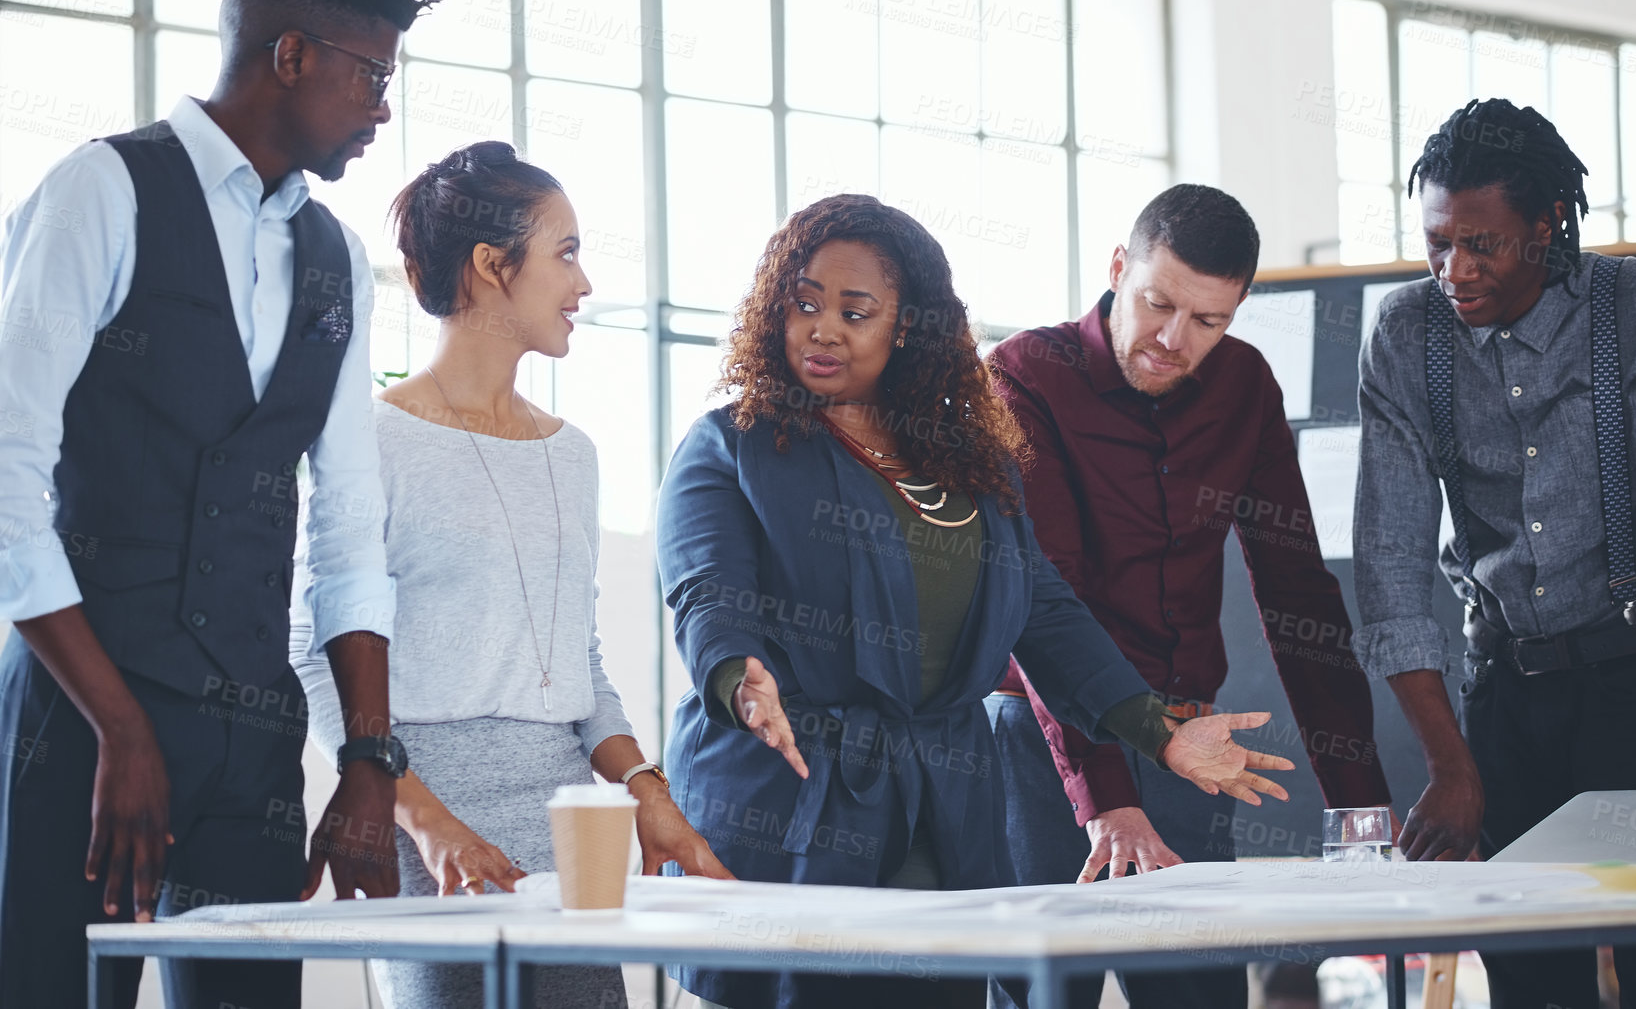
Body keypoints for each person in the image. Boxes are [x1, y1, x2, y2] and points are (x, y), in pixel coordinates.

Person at [657, 193, 1295, 1009]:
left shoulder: (967, 462)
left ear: (907, 327)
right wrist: (735, 676)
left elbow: (1046, 609)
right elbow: (704, 589)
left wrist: (1158, 733)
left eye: (855, 311)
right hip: (789, 797)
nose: (822, 328)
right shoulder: (732, 442)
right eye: (804, 302)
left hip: (939, 799)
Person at [0, 0, 437, 1009]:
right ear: (290, 56)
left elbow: (347, 525)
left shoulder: (334, 257)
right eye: (372, 77)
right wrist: (120, 727)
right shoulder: (103, 191)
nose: (383, 110)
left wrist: (368, 763)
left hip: (249, 741)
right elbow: (8, 479)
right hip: (76, 721)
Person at [291, 141, 732, 1007]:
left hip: (568, 825)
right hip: (430, 820)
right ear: (494, 266)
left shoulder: (573, 455)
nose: (584, 282)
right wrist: (426, 820)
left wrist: (647, 792)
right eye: (565, 252)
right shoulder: (373, 441)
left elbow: (581, 665)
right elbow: (314, 658)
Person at [985, 184, 1431, 1009]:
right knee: (1046, 998)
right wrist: (1108, 798)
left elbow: (1297, 588)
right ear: (1118, 268)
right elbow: (1044, 605)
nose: (1171, 339)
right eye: (1157, 303)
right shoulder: (1023, 376)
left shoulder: (1244, 387)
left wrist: (1360, 809)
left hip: (1196, 747)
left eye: (1207, 321)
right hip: (1047, 750)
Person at [1355, 97, 1636, 1009]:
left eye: (1481, 243)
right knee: (1529, 981)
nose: (1455, 269)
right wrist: (1450, 764)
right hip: (1507, 694)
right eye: (1436, 242)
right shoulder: (1406, 335)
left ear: (1546, 222)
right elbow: (1389, 568)